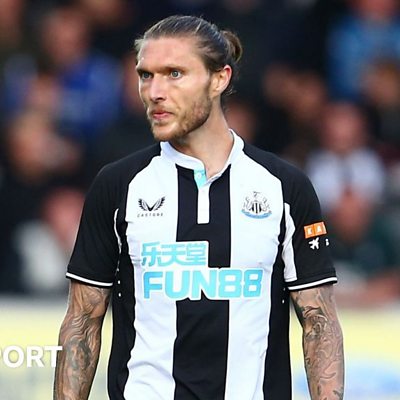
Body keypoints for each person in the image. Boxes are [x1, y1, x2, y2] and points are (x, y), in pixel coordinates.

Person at [54, 15, 344, 400]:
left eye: (174, 74)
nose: (155, 91)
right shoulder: (118, 185)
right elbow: (82, 322)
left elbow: (319, 321)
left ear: (219, 79)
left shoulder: (284, 187)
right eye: (146, 76)